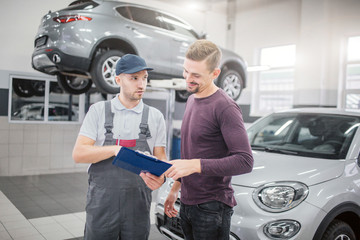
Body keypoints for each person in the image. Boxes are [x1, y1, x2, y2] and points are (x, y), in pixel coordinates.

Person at [164, 40, 254, 240]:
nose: (188, 79)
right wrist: (175, 189)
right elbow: (190, 154)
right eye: (186, 71)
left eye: (196, 75)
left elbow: (245, 161)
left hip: (211, 208)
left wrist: (195, 165)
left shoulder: (225, 107)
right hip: (188, 202)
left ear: (215, 73)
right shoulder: (191, 99)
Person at [72, 54, 167, 240]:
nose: (141, 84)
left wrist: (161, 177)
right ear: (118, 79)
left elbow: (161, 157)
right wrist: (115, 150)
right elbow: (79, 154)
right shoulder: (98, 111)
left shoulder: (155, 117)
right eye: (134, 78)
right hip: (102, 205)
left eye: (144, 78)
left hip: (138, 206)